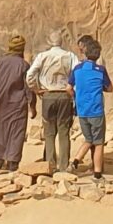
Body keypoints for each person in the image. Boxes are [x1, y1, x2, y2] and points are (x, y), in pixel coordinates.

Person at [27, 29, 78, 172]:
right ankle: (63, 166)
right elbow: (77, 72)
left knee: (49, 132)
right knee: (64, 131)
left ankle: (50, 165)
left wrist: (36, 89)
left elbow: (30, 75)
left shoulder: (42, 56)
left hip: (48, 95)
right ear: (62, 42)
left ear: (49, 42)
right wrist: (73, 90)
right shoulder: (70, 56)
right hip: (64, 95)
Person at [0, 34, 31, 172]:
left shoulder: (1, 63)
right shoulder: (23, 65)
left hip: (0, 102)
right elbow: (28, 86)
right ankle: (12, 163)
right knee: (16, 132)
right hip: (18, 105)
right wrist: (32, 104)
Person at [70, 35, 113, 180]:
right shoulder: (100, 70)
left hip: (82, 111)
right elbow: (110, 88)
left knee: (88, 139)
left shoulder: (77, 69)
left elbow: (68, 88)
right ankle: (97, 174)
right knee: (98, 143)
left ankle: (75, 162)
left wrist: (76, 97)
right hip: (96, 110)